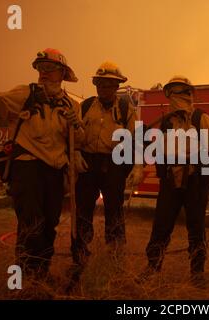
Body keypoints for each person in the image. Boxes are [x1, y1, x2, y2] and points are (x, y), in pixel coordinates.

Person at [0, 49, 84, 280]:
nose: (43, 73)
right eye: (40, 68)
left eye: (49, 69)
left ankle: (41, 273)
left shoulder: (72, 106)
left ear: (62, 73)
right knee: (32, 224)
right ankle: (25, 276)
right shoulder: (24, 94)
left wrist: (76, 126)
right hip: (27, 167)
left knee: (49, 224)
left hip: (55, 172)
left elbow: (79, 141)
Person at [136, 76, 209, 288]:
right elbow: (159, 149)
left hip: (195, 180)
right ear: (168, 96)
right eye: (173, 93)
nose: (178, 98)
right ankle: (152, 267)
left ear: (190, 94)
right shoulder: (167, 122)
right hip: (170, 180)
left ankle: (197, 273)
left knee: (196, 228)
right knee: (161, 226)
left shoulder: (201, 118)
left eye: (182, 93)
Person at [71, 61, 143, 266]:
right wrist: (76, 153)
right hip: (87, 164)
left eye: (109, 84)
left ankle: (115, 255)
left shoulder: (125, 109)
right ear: (96, 84)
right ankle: (80, 254)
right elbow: (74, 135)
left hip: (114, 165)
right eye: (100, 83)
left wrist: (137, 167)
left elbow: (136, 139)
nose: (104, 88)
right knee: (83, 209)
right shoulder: (84, 107)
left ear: (117, 86)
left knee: (114, 209)